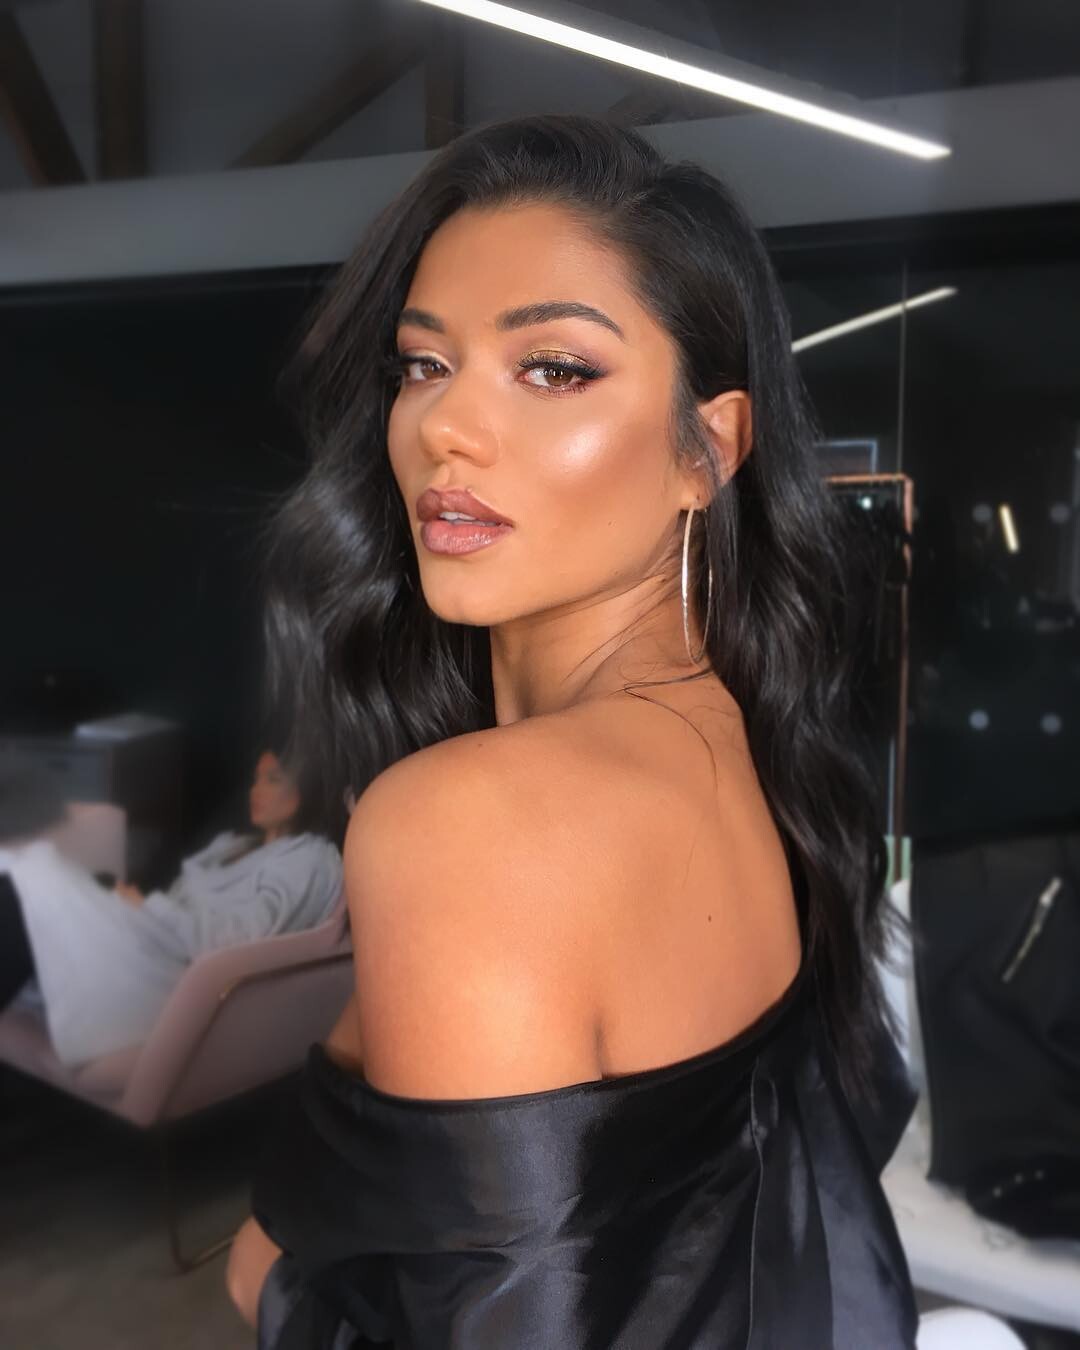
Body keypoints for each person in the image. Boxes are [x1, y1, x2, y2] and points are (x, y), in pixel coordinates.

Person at [226, 115, 919, 1347]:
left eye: (553, 368)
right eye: (423, 365)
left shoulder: (477, 824)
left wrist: (274, 1283)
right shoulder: (753, 751)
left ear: (709, 449)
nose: (446, 427)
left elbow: (283, 1271)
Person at [0, 749, 343, 1066]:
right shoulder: (233, 845)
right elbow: (177, 899)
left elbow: (244, 937)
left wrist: (149, 906)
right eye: (256, 779)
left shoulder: (309, 859)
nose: (256, 790)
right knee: (31, 871)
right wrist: (132, 906)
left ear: (307, 791)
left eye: (273, 779)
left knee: (37, 875)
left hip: (178, 970)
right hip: (155, 937)